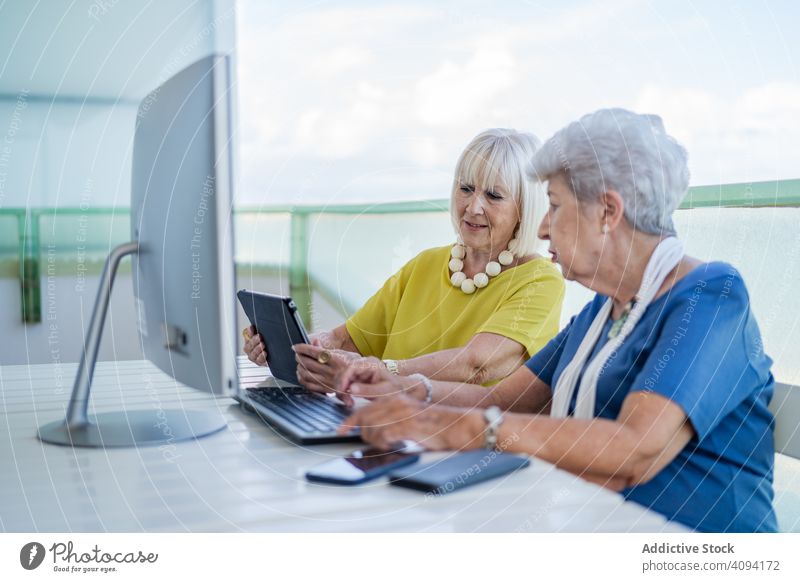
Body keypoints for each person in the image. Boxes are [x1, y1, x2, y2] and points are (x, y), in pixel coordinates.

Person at [336, 109, 777, 533]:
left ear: (608, 212)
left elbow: (636, 448)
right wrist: (405, 390)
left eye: (554, 206)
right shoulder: (603, 313)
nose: (543, 228)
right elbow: (510, 400)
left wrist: (465, 429)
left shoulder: (712, 296)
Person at [243, 128, 565, 397]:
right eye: (465, 189)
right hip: (385, 428)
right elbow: (344, 340)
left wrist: (379, 371)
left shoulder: (540, 281)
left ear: (525, 207)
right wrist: (298, 350)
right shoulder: (425, 265)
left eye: (493, 196)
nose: (473, 207)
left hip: (464, 445)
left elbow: (477, 365)